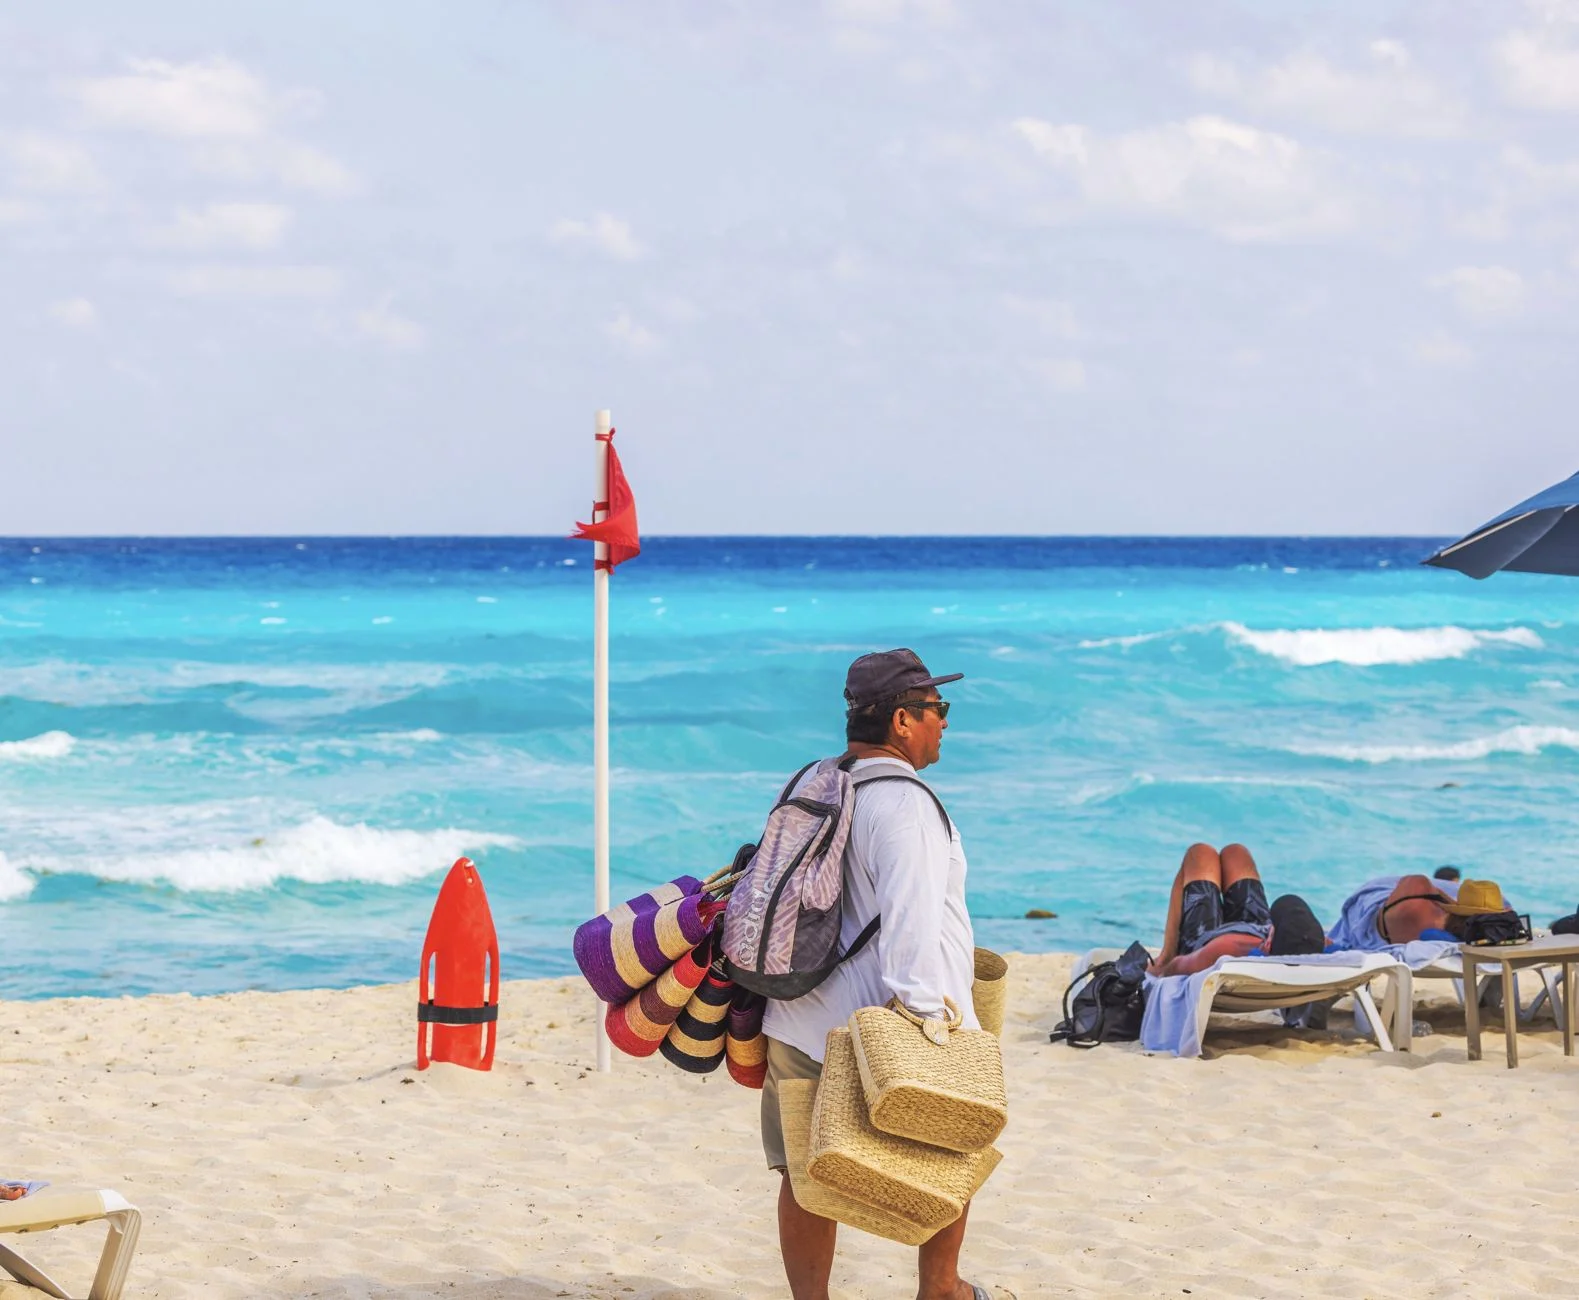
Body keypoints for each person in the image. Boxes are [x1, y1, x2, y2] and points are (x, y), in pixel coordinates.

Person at [760, 648, 993, 1300]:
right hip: (881, 1018)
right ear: (900, 720)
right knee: (953, 1145)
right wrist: (927, 1016)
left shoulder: (811, 781)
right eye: (935, 710)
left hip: (799, 1009)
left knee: (805, 1173)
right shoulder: (908, 804)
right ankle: (940, 1290)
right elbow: (910, 918)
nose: (944, 722)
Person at [1148, 842, 1326, 977]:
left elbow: (1177, 969)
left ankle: (1165, 955)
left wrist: (1167, 966)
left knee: (1199, 853)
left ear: (1269, 943)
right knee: (1236, 853)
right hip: (1255, 927)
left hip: (1205, 938)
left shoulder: (1227, 947)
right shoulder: (1311, 942)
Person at [1327, 874, 1507, 950]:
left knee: (1417, 881)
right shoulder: (1438, 934)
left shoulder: (1421, 910)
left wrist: (1448, 901)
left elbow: (1413, 882)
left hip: (1374, 914)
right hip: (1391, 922)